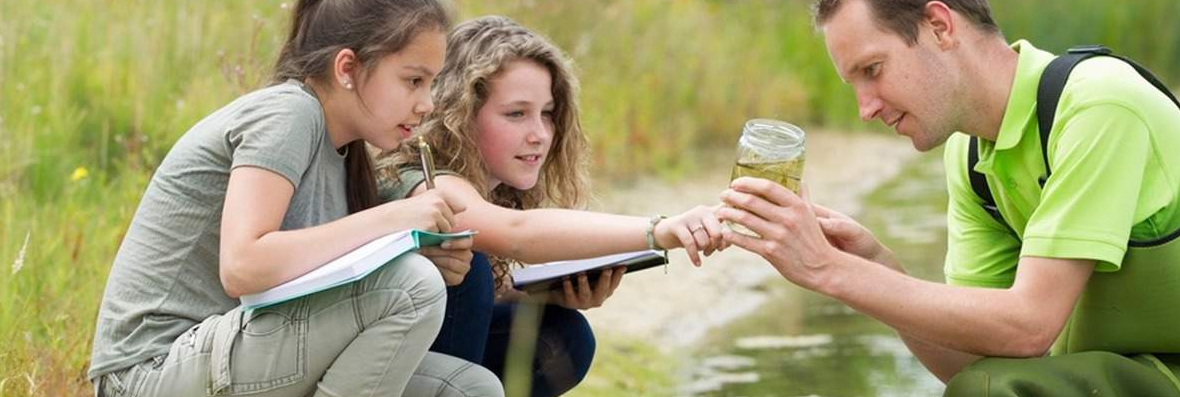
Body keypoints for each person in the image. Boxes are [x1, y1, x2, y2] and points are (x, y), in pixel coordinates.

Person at [717, 0, 1180, 395]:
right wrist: (876, 267)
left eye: (872, 70)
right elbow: (971, 366)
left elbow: (1030, 325)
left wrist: (828, 269)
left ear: (939, 26)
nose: (865, 108)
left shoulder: (1098, 106)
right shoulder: (970, 152)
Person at [87, 1, 505, 396]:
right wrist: (395, 219)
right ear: (347, 68)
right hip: (150, 371)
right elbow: (242, 265)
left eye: (431, 83)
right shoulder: (288, 114)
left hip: (238, 348)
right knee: (412, 287)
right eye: (413, 81)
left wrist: (414, 251)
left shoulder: (346, 153)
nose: (427, 104)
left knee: (470, 388)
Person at [374, 16, 726, 397]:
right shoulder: (426, 181)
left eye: (548, 113)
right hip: (374, 373)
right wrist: (658, 231)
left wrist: (543, 292)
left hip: (426, 361)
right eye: (516, 113)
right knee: (467, 262)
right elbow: (515, 234)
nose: (539, 134)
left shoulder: (485, 185)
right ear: (458, 114)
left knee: (562, 337)